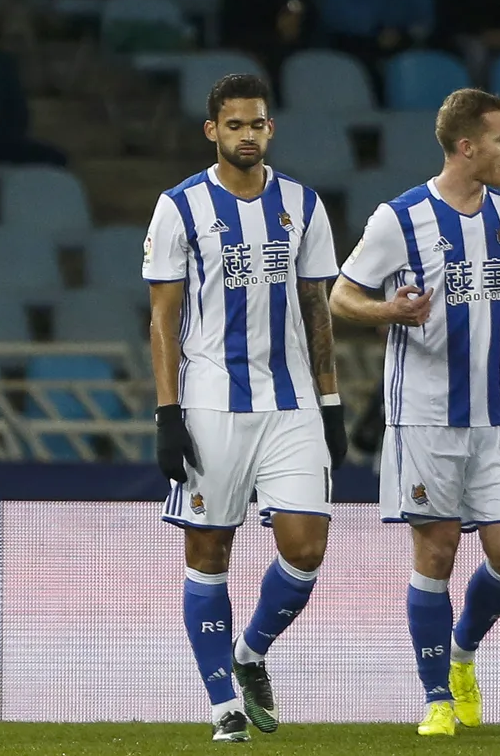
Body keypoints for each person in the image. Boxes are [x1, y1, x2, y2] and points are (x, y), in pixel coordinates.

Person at [329, 89, 500, 736]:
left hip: (495, 418)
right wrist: (387, 311)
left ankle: (461, 650)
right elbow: (341, 295)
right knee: (434, 551)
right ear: (468, 145)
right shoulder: (399, 218)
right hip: (424, 417)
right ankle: (437, 695)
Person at [143, 73, 343, 742]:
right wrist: (167, 413)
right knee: (209, 550)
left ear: (270, 129)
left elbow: (318, 308)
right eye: (235, 125)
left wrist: (332, 399)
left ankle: (250, 651)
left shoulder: (302, 205)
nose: (248, 135)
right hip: (210, 404)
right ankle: (221, 705)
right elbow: (163, 319)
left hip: (291, 405)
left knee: (307, 546)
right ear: (212, 131)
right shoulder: (180, 205)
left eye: (257, 124)